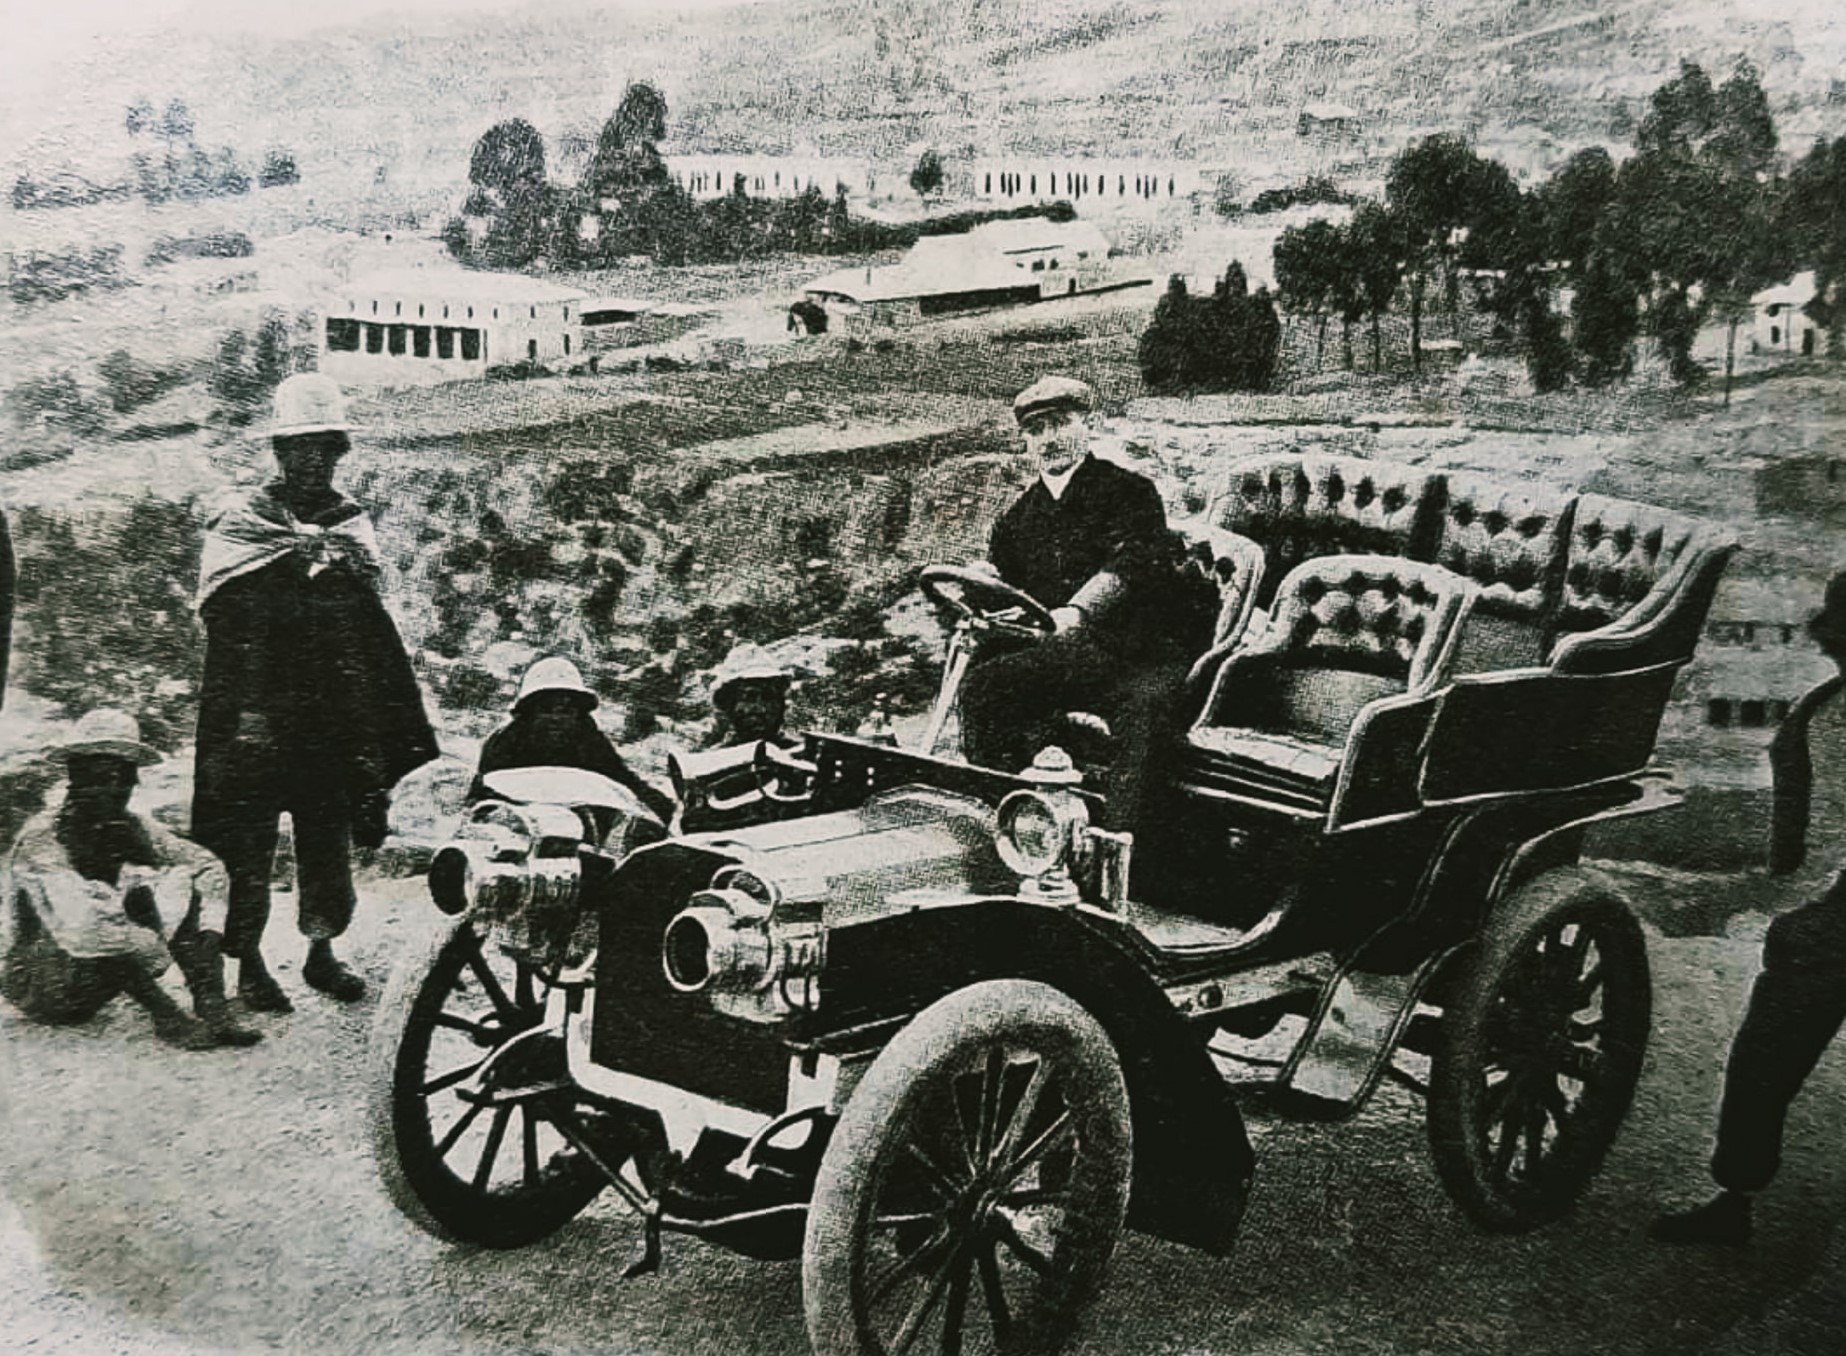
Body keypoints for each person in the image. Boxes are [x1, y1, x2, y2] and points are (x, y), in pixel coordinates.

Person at [191, 373, 438, 1012]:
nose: (314, 460)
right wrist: (247, 712)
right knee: (249, 844)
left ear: (338, 453)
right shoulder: (246, 525)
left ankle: (322, 953)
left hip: (327, 719)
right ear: (280, 453)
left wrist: (373, 722)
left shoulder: (349, 528)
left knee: (326, 837)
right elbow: (229, 626)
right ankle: (247, 963)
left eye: (325, 448)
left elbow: (365, 631)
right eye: (301, 448)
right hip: (258, 719)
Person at [1652, 569, 1846, 1246]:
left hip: (1834, 918)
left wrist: (1743, 905)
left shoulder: (1823, 719)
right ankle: (1734, 1196)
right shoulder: (1819, 716)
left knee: (1766, 1055)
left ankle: (1736, 1195)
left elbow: (1821, 852)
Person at [958, 375, 1211, 834]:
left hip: (1138, 654)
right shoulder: (1018, 519)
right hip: (1067, 660)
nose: (1049, 439)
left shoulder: (1129, 492)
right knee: (981, 688)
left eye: (1059, 424)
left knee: (1144, 717)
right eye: (1036, 431)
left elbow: (1134, 563)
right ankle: (1014, 828)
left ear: (1085, 425)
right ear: (1025, 442)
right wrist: (982, 585)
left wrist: (1078, 611)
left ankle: (1120, 852)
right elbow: (1008, 589)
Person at [1, 709, 260, 1049]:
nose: (113, 789)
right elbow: (84, 928)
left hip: (96, 973)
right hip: (43, 984)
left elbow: (205, 865)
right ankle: (167, 1018)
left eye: (123, 778)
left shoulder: (131, 825)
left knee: (176, 880)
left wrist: (210, 930)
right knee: (114, 901)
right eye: (100, 777)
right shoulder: (43, 838)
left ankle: (212, 1005)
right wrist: (166, 1010)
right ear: (76, 778)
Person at [469, 655, 675, 824]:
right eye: (546, 710)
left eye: (566, 711)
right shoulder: (504, 741)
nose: (556, 719)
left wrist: (664, 807)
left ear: (578, 714)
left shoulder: (589, 739)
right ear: (529, 713)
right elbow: (481, 796)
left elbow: (624, 780)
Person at [704, 643, 795, 751]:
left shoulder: (802, 755)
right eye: (749, 698)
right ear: (729, 705)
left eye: (769, 697)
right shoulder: (714, 760)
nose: (761, 709)